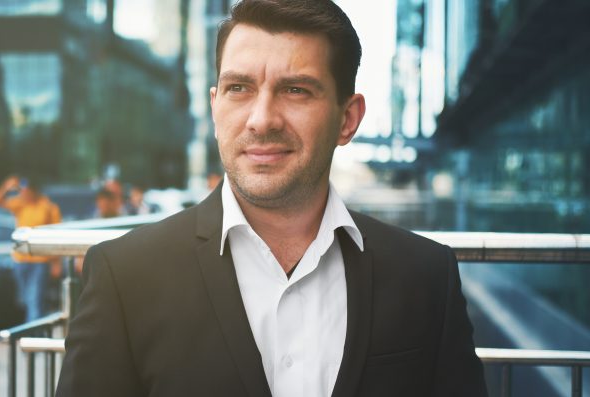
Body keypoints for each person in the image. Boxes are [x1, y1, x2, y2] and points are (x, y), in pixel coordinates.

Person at [57, 1, 487, 396]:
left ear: (347, 118)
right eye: (239, 88)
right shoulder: (124, 275)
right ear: (215, 105)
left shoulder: (427, 277)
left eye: (296, 90)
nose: (261, 120)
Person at [0, 175, 61, 322]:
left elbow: (56, 235)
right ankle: (38, 331)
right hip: (21, 259)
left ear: (34, 191)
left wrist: (56, 262)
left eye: (26, 190)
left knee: (34, 299)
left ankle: (32, 335)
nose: (23, 193)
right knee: (26, 300)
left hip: (40, 260)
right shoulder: (20, 204)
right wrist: (6, 186)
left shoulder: (47, 207)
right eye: (22, 190)